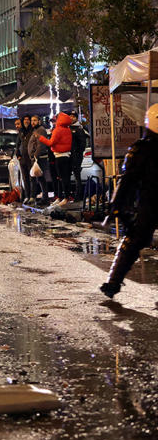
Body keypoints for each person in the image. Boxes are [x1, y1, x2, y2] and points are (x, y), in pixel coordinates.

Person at [100, 103, 158, 298]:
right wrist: (118, 204)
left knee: (133, 240)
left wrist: (117, 204)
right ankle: (113, 282)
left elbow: (127, 180)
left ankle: (113, 282)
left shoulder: (141, 149)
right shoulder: (142, 149)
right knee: (134, 239)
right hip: (148, 202)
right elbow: (128, 180)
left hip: (148, 203)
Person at [39, 111, 74, 206]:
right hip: (66, 156)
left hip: (60, 157)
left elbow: (51, 143)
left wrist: (41, 138)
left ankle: (65, 198)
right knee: (63, 178)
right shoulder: (67, 129)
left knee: (62, 178)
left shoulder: (58, 130)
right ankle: (62, 197)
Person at [28, 115, 50, 205]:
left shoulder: (41, 130)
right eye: (32, 120)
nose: (33, 122)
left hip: (39, 158)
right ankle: (39, 196)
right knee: (38, 178)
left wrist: (35, 156)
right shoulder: (35, 130)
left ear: (39, 121)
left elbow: (41, 145)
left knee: (40, 178)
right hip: (36, 158)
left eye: (35, 120)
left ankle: (45, 197)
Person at [70, 116, 89, 201]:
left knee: (77, 177)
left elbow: (82, 144)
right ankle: (74, 195)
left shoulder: (79, 128)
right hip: (71, 155)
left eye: (73, 116)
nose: (71, 118)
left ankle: (78, 196)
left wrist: (78, 153)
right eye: (70, 116)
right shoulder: (69, 128)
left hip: (77, 156)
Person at [17, 117, 34, 203]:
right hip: (23, 158)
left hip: (30, 158)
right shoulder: (21, 131)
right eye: (24, 120)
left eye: (28, 119)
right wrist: (18, 155)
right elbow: (18, 143)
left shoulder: (33, 131)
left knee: (32, 178)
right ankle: (27, 195)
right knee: (25, 178)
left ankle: (32, 196)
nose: (26, 121)